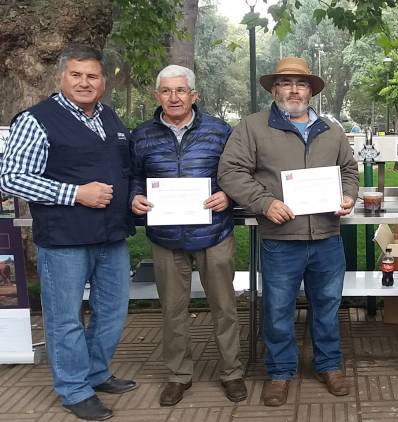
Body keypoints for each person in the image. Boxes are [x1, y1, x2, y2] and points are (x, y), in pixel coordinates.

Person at [0, 45, 136, 420]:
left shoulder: (109, 118)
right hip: (64, 241)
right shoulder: (37, 119)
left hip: (112, 237)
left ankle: (96, 372)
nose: (84, 82)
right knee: (65, 319)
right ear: (61, 77)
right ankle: (74, 390)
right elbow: (10, 178)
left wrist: (134, 199)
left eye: (92, 76)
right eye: (76, 75)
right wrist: (74, 193)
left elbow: (122, 172)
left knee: (111, 313)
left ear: (103, 82)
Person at [218, 57, 359, 407]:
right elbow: (231, 172)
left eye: (301, 83)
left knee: (327, 306)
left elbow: (349, 170)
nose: (293, 89)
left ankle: (328, 365)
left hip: (327, 237)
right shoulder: (252, 127)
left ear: (311, 90)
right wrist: (264, 203)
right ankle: (280, 372)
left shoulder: (332, 130)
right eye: (285, 82)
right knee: (278, 309)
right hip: (281, 239)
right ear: (274, 89)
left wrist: (348, 195)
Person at [129, 65, 246, 406]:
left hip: (214, 232)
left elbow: (237, 171)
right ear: (157, 96)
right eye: (167, 91)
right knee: (172, 310)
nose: (174, 97)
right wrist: (133, 196)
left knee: (224, 307)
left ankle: (232, 372)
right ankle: (179, 375)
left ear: (194, 95)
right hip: (165, 237)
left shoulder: (219, 130)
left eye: (181, 91)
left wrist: (228, 194)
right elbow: (135, 176)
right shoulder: (142, 135)